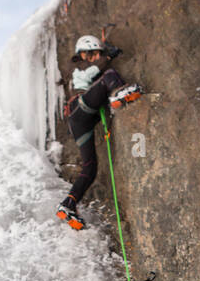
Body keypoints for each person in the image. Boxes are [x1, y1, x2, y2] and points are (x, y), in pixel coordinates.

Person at [57, 35, 142, 231]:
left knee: (90, 168)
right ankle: (118, 92)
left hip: (80, 123)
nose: (96, 57)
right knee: (109, 76)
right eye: (94, 54)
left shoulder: (84, 67)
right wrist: (109, 57)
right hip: (80, 108)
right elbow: (95, 73)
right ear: (84, 53)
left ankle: (68, 204)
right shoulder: (79, 66)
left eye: (98, 54)